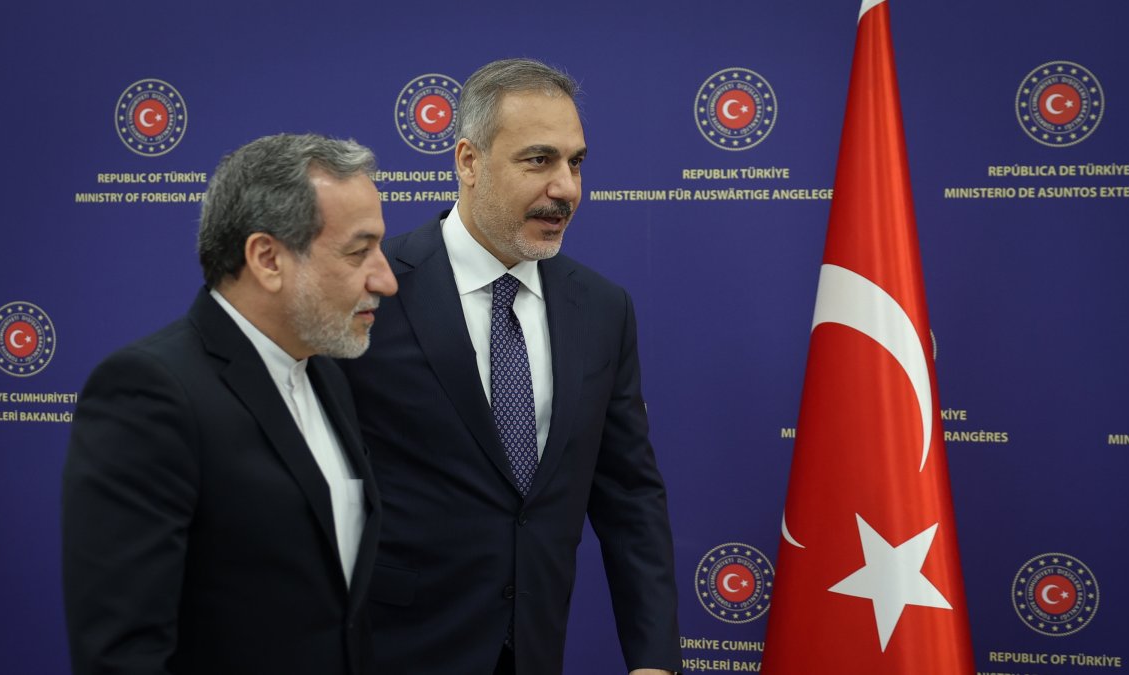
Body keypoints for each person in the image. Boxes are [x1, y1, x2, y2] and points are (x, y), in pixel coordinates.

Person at [339, 58, 681, 674]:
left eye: (576, 163)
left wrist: (653, 659)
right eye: (539, 160)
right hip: (388, 651)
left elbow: (630, 496)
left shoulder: (603, 309)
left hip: (532, 650)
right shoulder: (370, 289)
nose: (567, 188)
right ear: (468, 161)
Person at [62, 133, 397, 675]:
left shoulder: (329, 377)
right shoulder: (150, 393)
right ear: (267, 258)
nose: (386, 279)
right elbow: (122, 655)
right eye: (359, 252)